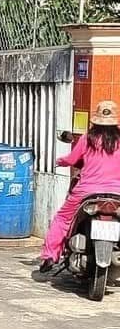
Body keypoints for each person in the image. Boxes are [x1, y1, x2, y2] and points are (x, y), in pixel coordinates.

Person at [38, 99, 120, 274]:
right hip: (117, 193)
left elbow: (72, 159)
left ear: (95, 120)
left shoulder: (87, 139)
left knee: (62, 219)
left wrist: (60, 161)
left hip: (87, 192)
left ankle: (50, 256)